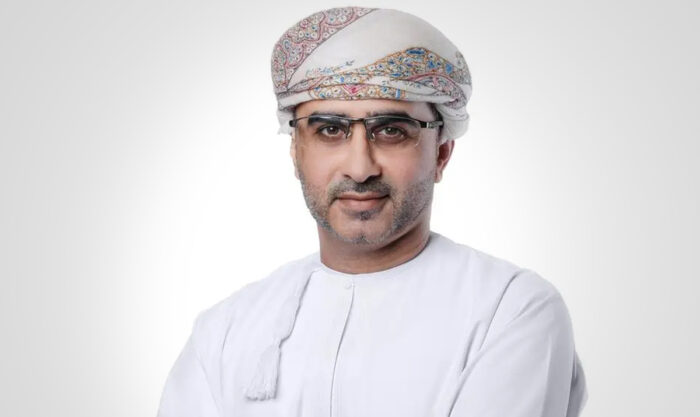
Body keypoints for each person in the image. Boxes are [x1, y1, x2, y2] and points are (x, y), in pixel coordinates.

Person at [157, 7, 587, 417]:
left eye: (391, 131)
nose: (360, 168)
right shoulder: (225, 331)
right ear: (296, 151)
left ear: (441, 153)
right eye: (330, 130)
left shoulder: (509, 311)